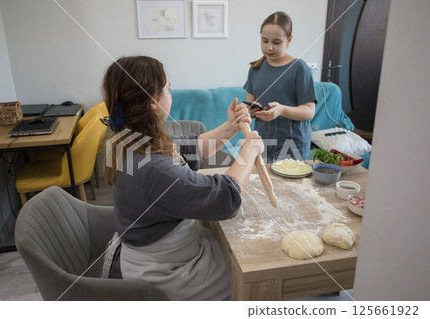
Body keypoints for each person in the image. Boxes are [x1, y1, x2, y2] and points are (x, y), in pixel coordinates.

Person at [100, 56, 264, 301]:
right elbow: (226, 197)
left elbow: (194, 148)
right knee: (256, 278)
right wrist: (248, 152)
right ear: (153, 101)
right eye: (167, 88)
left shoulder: (132, 138)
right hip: (162, 271)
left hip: (155, 251)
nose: (170, 92)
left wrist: (231, 125)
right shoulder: (153, 169)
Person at [244, 11, 317, 163]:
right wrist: (248, 112)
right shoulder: (255, 69)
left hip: (292, 144)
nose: (269, 47)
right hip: (263, 141)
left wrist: (282, 110)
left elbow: (309, 111)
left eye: (276, 42)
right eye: (265, 41)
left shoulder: (299, 68)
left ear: (289, 40)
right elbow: (251, 110)